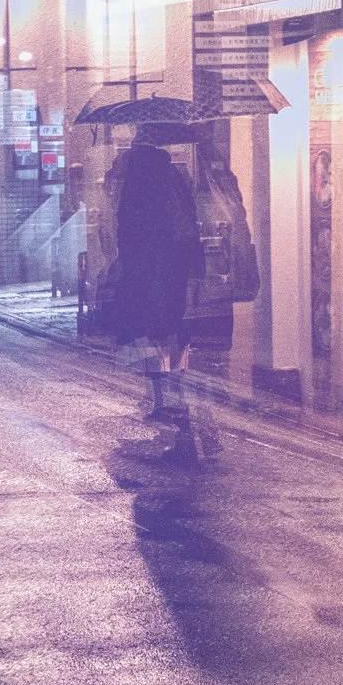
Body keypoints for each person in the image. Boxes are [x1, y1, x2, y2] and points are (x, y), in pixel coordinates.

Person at [97, 135, 205, 460]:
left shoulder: (135, 180)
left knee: (146, 330)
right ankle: (176, 390)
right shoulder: (173, 176)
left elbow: (124, 228)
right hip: (174, 266)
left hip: (145, 269)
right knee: (171, 326)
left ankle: (160, 394)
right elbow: (190, 223)